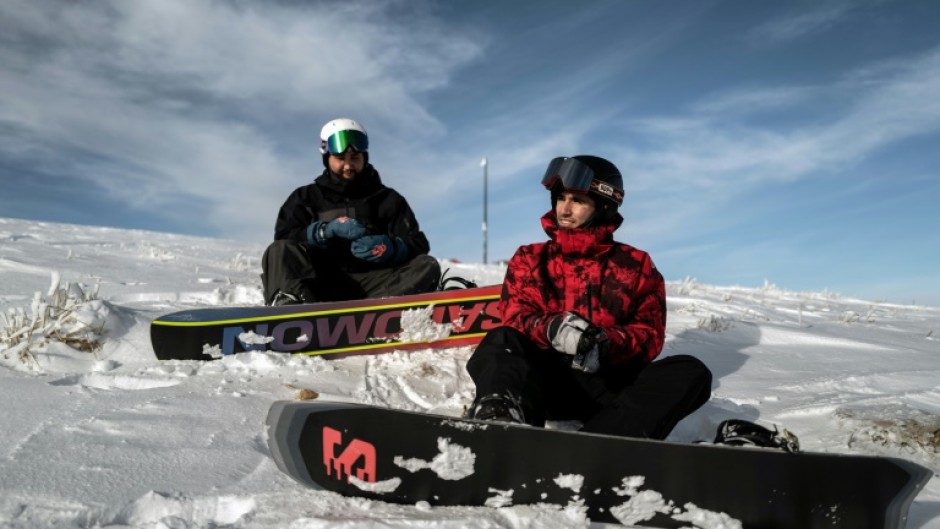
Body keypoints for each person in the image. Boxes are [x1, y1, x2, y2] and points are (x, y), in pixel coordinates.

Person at [465, 155, 712, 440]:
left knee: (691, 372)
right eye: (561, 198)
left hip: (607, 385)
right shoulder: (530, 257)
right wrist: (551, 329)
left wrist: (603, 342)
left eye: (578, 201)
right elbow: (517, 315)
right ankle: (500, 425)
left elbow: (649, 335)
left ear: (604, 206)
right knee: (502, 340)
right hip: (543, 381)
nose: (565, 209)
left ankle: (605, 442)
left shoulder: (636, 264)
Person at [261, 118, 441, 305]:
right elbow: (284, 239)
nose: (348, 166)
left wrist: (389, 248)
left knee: (426, 266)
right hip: (317, 284)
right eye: (340, 159)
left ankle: (382, 313)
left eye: (354, 158)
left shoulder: (389, 199)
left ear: (364, 157)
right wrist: (322, 231)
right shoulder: (304, 197)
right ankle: (292, 313)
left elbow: (417, 243)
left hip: (375, 286)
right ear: (327, 158)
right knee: (279, 250)